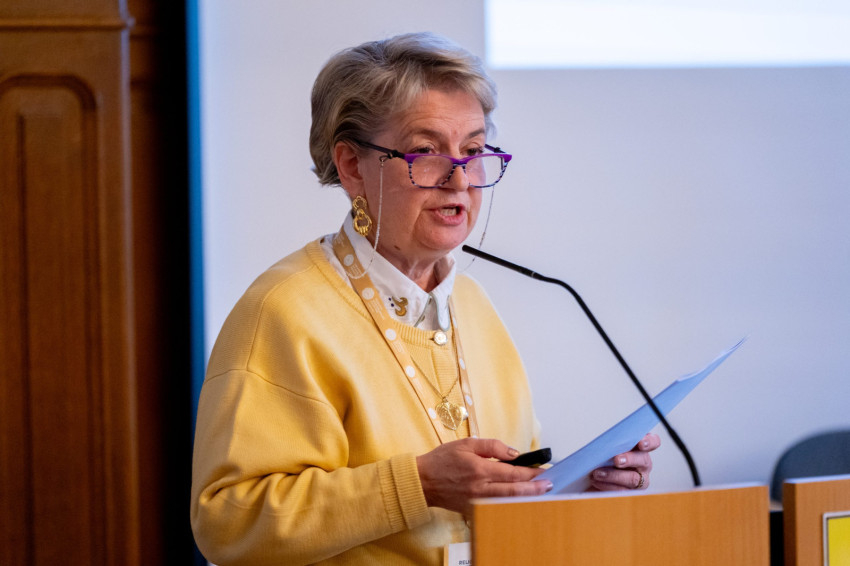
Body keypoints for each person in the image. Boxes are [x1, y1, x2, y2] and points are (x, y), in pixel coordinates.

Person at [191, 32, 660, 565]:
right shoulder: (284, 311)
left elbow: (502, 489)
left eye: (474, 151)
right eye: (427, 151)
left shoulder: (474, 306)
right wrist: (418, 485)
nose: (459, 180)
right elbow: (227, 522)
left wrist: (578, 487)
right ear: (352, 166)